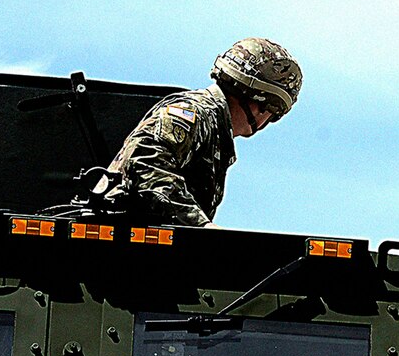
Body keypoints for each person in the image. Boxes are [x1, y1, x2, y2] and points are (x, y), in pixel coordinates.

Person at [94, 38, 302, 226]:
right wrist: (200, 225)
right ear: (262, 103)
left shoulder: (215, 130)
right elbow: (145, 160)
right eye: (274, 113)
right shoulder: (195, 112)